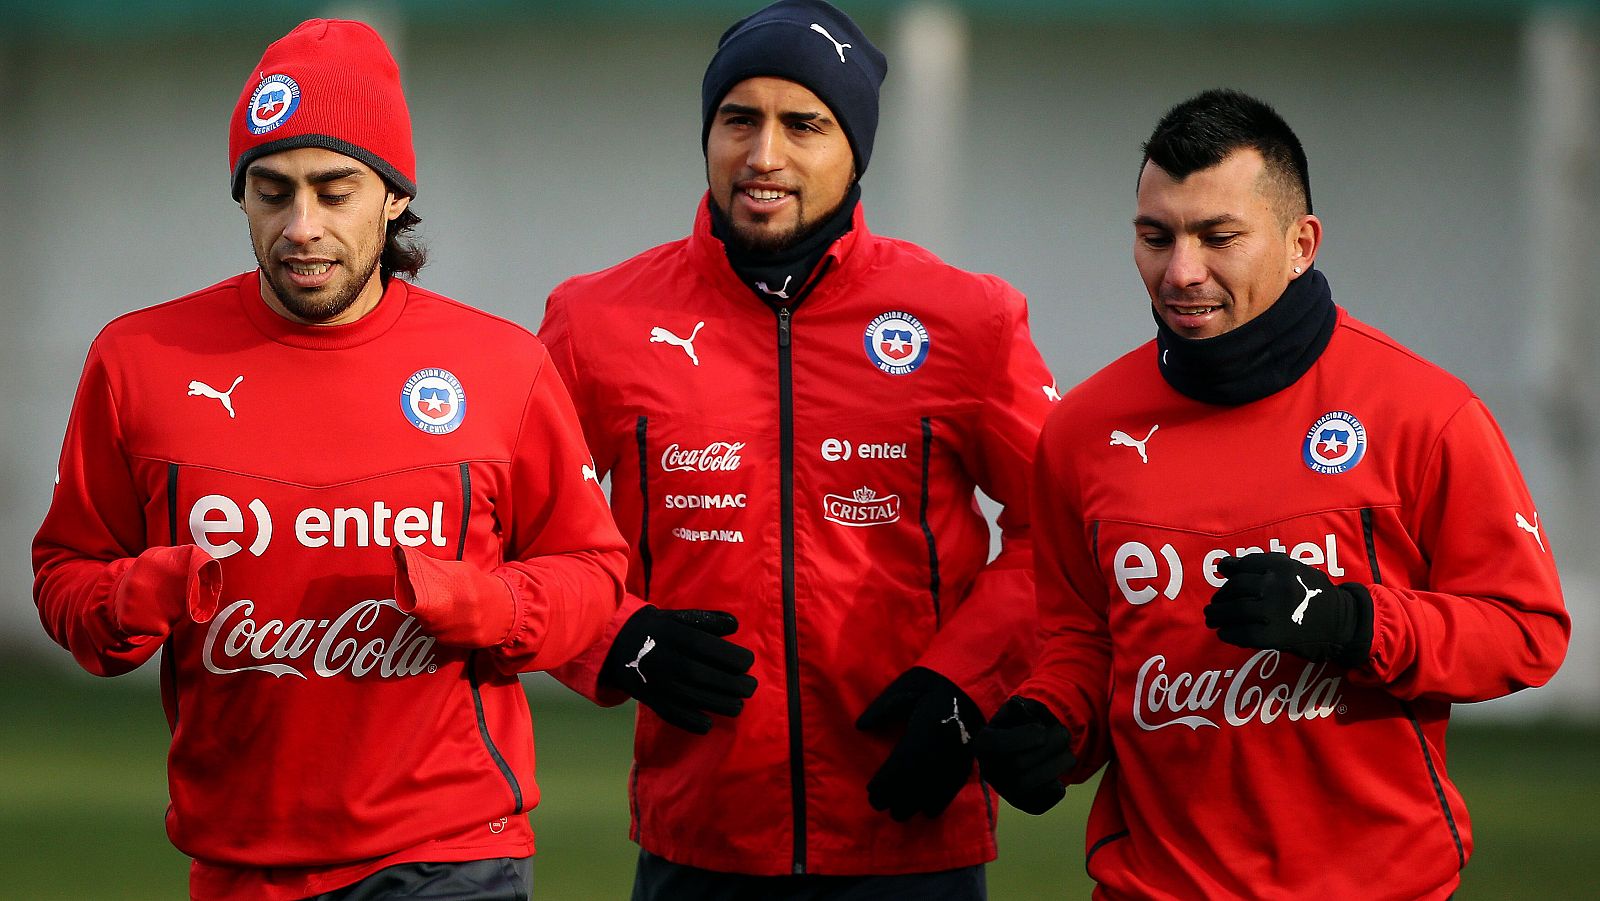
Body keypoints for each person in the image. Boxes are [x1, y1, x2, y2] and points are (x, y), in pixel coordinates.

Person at [31, 19, 627, 901]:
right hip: (237, 859)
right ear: (241, 198)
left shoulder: (501, 367)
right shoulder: (137, 360)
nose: (300, 226)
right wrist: (136, 594)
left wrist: (491, 602)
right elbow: (63, 573)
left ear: (392, 196)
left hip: (449, 852)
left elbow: (595, 574)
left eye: (333, 189)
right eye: (271, 191)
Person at [972, 88, 1572, 900]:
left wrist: (1351, 621)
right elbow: (1082, 642)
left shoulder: (1425, 414)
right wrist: (1049, 721)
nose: (1181, 271)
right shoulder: (1081, 432)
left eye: (1219, 237)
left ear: (1301, 243)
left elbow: (1526, 630)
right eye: (1157, 236)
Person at [537, 1, 1057, 896]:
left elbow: (1065, 530)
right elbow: (517, 524)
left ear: (857, 148)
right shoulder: (597, 322)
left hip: (911, 829)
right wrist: (613, 640)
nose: (763, 155)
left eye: (803, 124)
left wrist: (970, 682)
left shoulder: (969, 318)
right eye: (739, 119)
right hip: (699, 839)